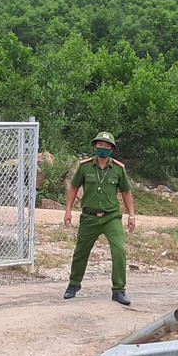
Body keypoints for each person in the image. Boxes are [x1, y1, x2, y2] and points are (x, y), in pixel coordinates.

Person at [63, 131, 136, 305]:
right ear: (95, 146)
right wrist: (68, 210)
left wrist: (132, 215)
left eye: (107, 146)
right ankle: (73, 284)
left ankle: (119, 290)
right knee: (81, 252)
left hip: (111, 218)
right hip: (89, 218)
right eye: (100, 145)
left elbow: (126, 192)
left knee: (119, 250)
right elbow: (73, 187)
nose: (103, 148)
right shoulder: (85, 167)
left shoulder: (118, 169)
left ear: (112, 149)